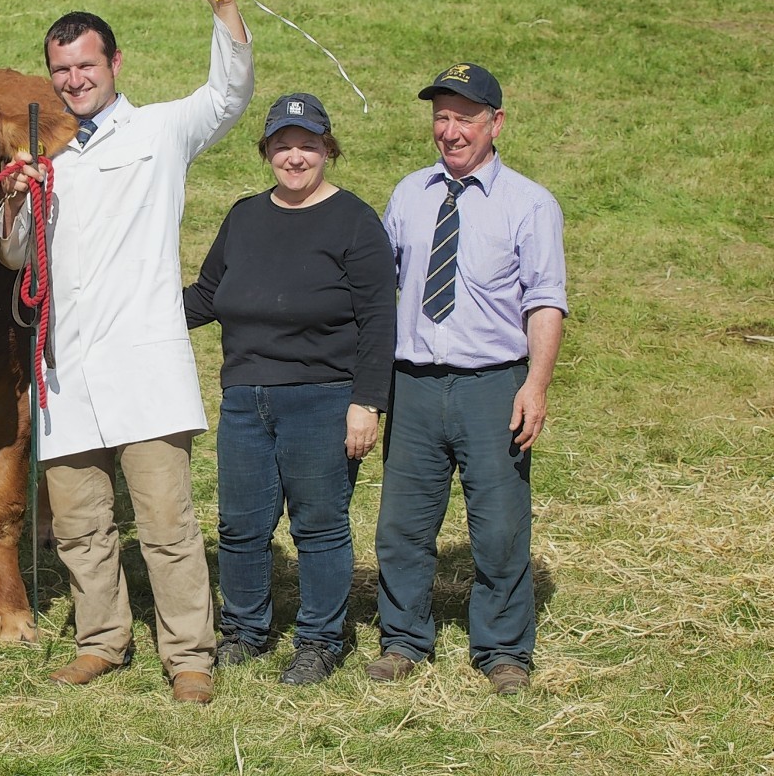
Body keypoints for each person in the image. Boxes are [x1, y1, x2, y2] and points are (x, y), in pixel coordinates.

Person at [0, 0, 253, 705]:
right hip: (66, 372)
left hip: (144, 369)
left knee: (168, 526)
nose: (74, 80)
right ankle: (102, 641)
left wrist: (221, 5)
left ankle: (190, 658)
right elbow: (16, 255)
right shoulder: (47, 153)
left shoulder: (163, 131)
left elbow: (229, 94)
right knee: (79, 528)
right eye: (62, 70)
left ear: (114, 63)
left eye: (85, 65)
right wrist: (19, 198)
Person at [183, 92, 395, 686]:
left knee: (319, 526)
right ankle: (245, 631)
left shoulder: (355, 221)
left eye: (307, 145)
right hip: (246, 399)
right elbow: (207, 296)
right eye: (283, 145)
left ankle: (320, 641)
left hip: (323, 398)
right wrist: (135, 314)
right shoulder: (244, 215)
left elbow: (380, 321)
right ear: (266, 150)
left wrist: (366, 402)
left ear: (328, 149)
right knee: (241, 527)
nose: (294, 156)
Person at [371, 63, 567, 695]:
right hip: (416, 384)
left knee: (501, 524)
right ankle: (403, 639)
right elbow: (377, 291)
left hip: (493, 386)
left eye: (464, 118)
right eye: (441, 117)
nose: (450, 131)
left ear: (495, 123)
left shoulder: (530, 204)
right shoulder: (408, 194)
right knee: (402, 523)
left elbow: (545, 302)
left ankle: (504, 649)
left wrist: (534, 386)